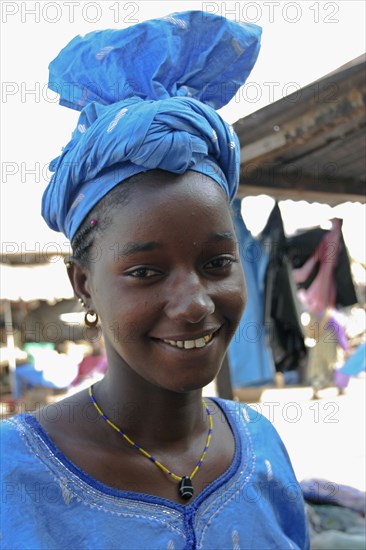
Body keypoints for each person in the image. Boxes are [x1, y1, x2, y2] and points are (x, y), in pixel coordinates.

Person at [1, 12, 309, 549]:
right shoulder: (14, 476)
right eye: (145, 271)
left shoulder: (262, 446)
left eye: (217, 263)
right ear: (84, 284)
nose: (194, 304)